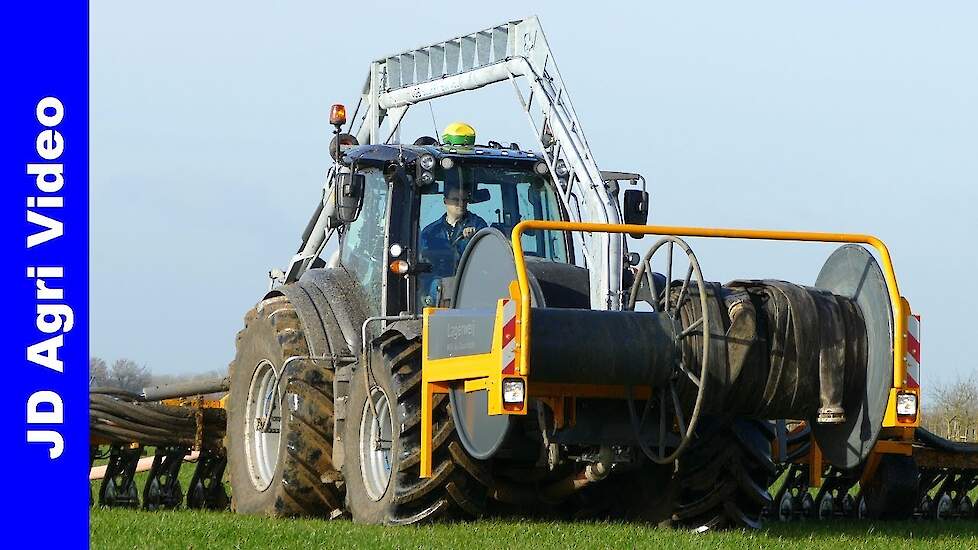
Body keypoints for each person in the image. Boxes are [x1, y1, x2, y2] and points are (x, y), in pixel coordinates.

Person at [418, 186, 488, 305]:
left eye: (464, 200)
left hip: (470, 280)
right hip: (439, 281)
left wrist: (473, 238)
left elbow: (486, 256)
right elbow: (422, 261)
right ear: (445, 200)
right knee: (435, 286)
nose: (461, 204)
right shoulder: (430, 232)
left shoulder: (478, 225)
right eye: (456, 199)